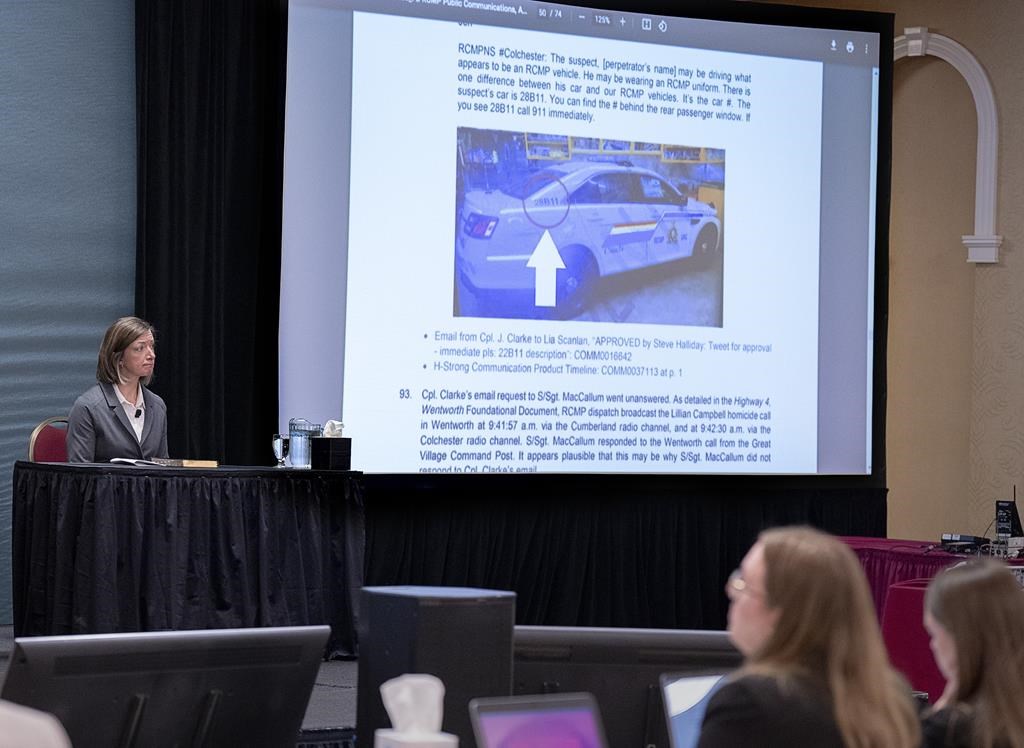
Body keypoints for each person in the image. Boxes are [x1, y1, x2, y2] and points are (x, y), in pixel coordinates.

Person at [697, 526, 920, 748]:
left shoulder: (749, 706)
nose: (731, 591)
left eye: (743, 583)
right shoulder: (893, 701)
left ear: (782, 612)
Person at [921, 559, 1024, 748]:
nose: (932, 645)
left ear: (960, 637)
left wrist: (942, 706)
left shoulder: (947, 730)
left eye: (933, 633)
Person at [66, 316, 168, 463]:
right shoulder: (88, 408)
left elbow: (163, 467)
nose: (151, 355)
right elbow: (80, 473)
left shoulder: (158, 406)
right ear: (119, 358)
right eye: (140, 348)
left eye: (151, 346)